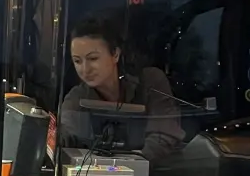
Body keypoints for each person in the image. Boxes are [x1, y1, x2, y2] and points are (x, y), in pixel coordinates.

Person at [58, 15, 185, 161]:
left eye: (93, 58)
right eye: (77, 61)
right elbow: (65, 133)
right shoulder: (76, 98)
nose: (85, 69)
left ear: (115, 54)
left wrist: (135, 165)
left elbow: (164, 134)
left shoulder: (151, 82)